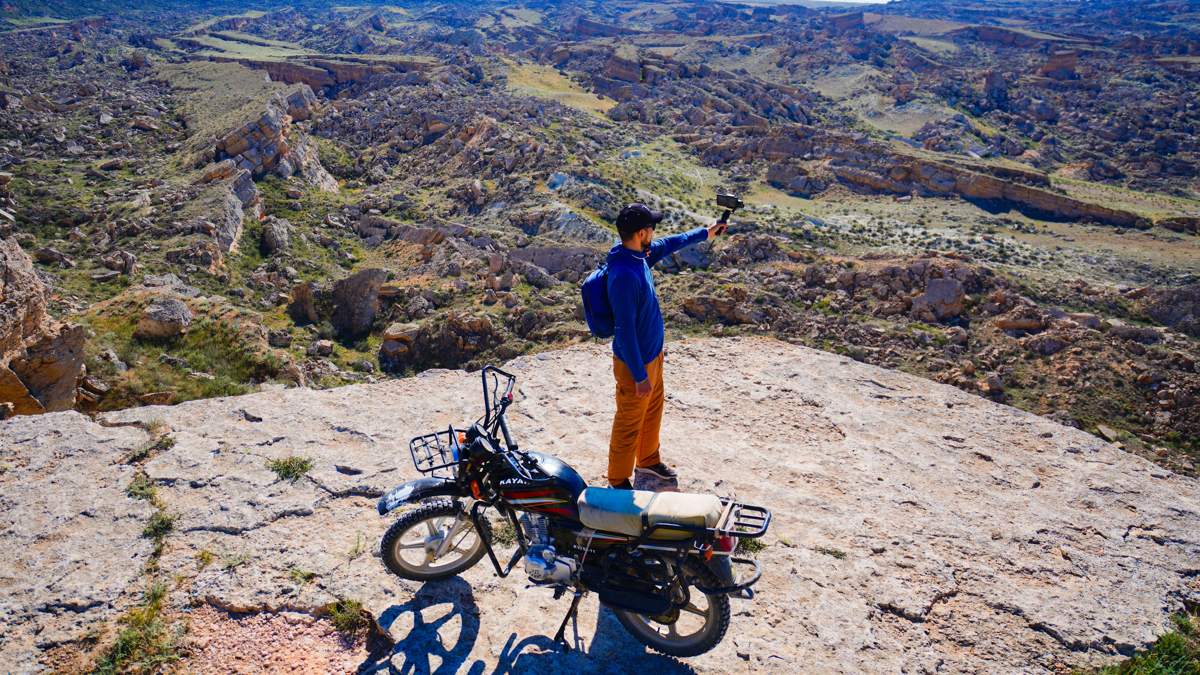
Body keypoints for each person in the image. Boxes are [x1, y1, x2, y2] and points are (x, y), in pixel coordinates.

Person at [606, 203, 727, 490]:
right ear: (641, 232)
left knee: (652, 411)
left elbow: (671, 243)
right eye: (652, 228)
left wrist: (706, 233)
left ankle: (648, 462)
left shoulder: (638, 255)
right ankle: (618, 482)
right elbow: (624, 331)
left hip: (652, 356)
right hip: (635, 364)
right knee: (628, 424)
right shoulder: (625, 274)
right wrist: (638, 375)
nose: (655, 233)